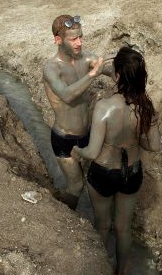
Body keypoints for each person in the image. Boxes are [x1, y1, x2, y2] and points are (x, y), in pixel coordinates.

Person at [71, 46, 162, 275]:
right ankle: (121, 273)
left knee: (102, 225)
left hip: (103, 173)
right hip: (131, 173)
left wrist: (77, 150)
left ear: (118, 75)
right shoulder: (146, 107)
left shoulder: (104, 107)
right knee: (123, 228)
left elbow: (92, 152)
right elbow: (154, 146)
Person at [42, 15, 114, 210]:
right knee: (76, 186)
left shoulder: (86, 58)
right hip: (64, 138)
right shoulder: (51, 68)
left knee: (97, 180)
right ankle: (66, 218)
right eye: (73, 39)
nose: (79, 43)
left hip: (88, 134)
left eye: (81, 37)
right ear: (58, 40)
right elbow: (66, 95)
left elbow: (110, 70)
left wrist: (123, 66)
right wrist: (93, 74)